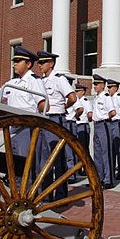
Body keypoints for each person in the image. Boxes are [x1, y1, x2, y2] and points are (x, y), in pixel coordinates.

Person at [37, 51, 77, 200]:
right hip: (43, 119)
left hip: (55, 119)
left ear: (51, 64)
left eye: (42, 63)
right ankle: (47, 194)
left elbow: (72, 97)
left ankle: (61, 194)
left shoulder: (59, 79)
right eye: (38, 63)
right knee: (44, 159)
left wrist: (63, 108)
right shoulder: (41, 81)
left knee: (58, 160)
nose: (39, 66)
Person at [88, 74, 116, 189]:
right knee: (97, 154)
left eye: (97, 84)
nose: (94, 86)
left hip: (104, 125)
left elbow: (113, 112)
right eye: (94, 84)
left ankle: (108, 179)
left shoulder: (106, 97)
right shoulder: (97, 97)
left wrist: (105, 118)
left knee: (106, 153)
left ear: (103, 85)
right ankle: (99, 178)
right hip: (96, 125)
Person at [105, 79, 120, 181]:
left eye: (110, 87)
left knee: (119, 149)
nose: (108, 89)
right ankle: (112, 172)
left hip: (117, 123)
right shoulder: (108, 98)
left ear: (115, 88)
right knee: (111, 149)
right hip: (109, 123)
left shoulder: (118, 98)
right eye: (108, 87)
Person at [72, 84, 91, 156]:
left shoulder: (85, 101)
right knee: (77, 148)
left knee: (84, 148)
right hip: (76, 125)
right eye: (75, 91)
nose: (76, 93)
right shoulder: (76, 101)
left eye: (78, 91)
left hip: (83, 125)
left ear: (83, 92)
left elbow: (90, 114)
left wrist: (87, 120)